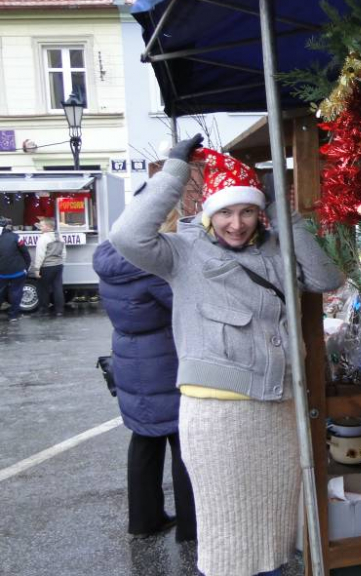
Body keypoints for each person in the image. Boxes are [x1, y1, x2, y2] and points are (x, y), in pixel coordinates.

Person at [110, 135, 344, 576]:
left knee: (274, 538)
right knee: (227, 542)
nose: (235, 223)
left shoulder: (277, 248)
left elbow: (326, 277)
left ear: (259, 212)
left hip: (278, 412)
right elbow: (126, 235)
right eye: (225, 211)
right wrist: (174, 172)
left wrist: (284, 214)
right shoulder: (182, 253)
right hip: (218, 418)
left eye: (247, 210)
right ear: (209, 213)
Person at [93, 211, 196, 543]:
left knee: (143, 439)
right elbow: (186, 306)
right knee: (185, 442)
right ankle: (193, 527)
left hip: (129, 358)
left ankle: (144, 519)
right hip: (164, 358)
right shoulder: (152, 267)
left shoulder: (110, 258)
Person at [30, 217, 66, 316]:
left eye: (42, 226)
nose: (40, 228)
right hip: (58, 265)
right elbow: (64, 252)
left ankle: (44, 310)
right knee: (58, 288)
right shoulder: (59, 236)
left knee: (43, 289)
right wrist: (62, 262)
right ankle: (59, 310)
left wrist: (37, 269)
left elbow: (40, 255)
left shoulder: (43, 238)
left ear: (48, 227)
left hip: (47, 267)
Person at [0, 216, 31, 323]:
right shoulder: (16, 237)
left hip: (2, 273)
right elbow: (25, 253)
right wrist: (26, 267)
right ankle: (13, 315)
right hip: (18, 271)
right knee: (16, 293)